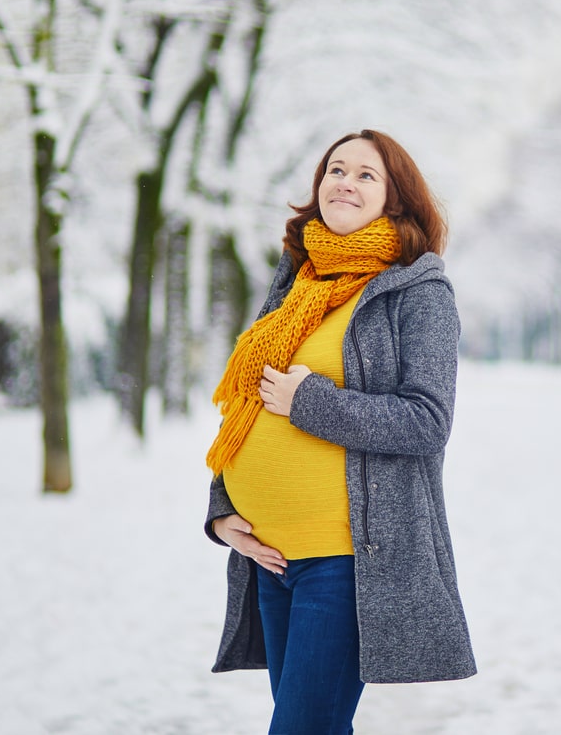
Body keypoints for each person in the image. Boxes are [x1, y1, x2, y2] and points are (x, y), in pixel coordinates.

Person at [203, 129, 477, 734]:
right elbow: (245, 406)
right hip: (270, 556)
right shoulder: (297, 284)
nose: (345, 182)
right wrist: (223, 509)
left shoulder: (417, 292)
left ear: (395, 198)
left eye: (366, 175)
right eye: (335, 169)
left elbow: (428, 421)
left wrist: (312, 402)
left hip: (347, 557)